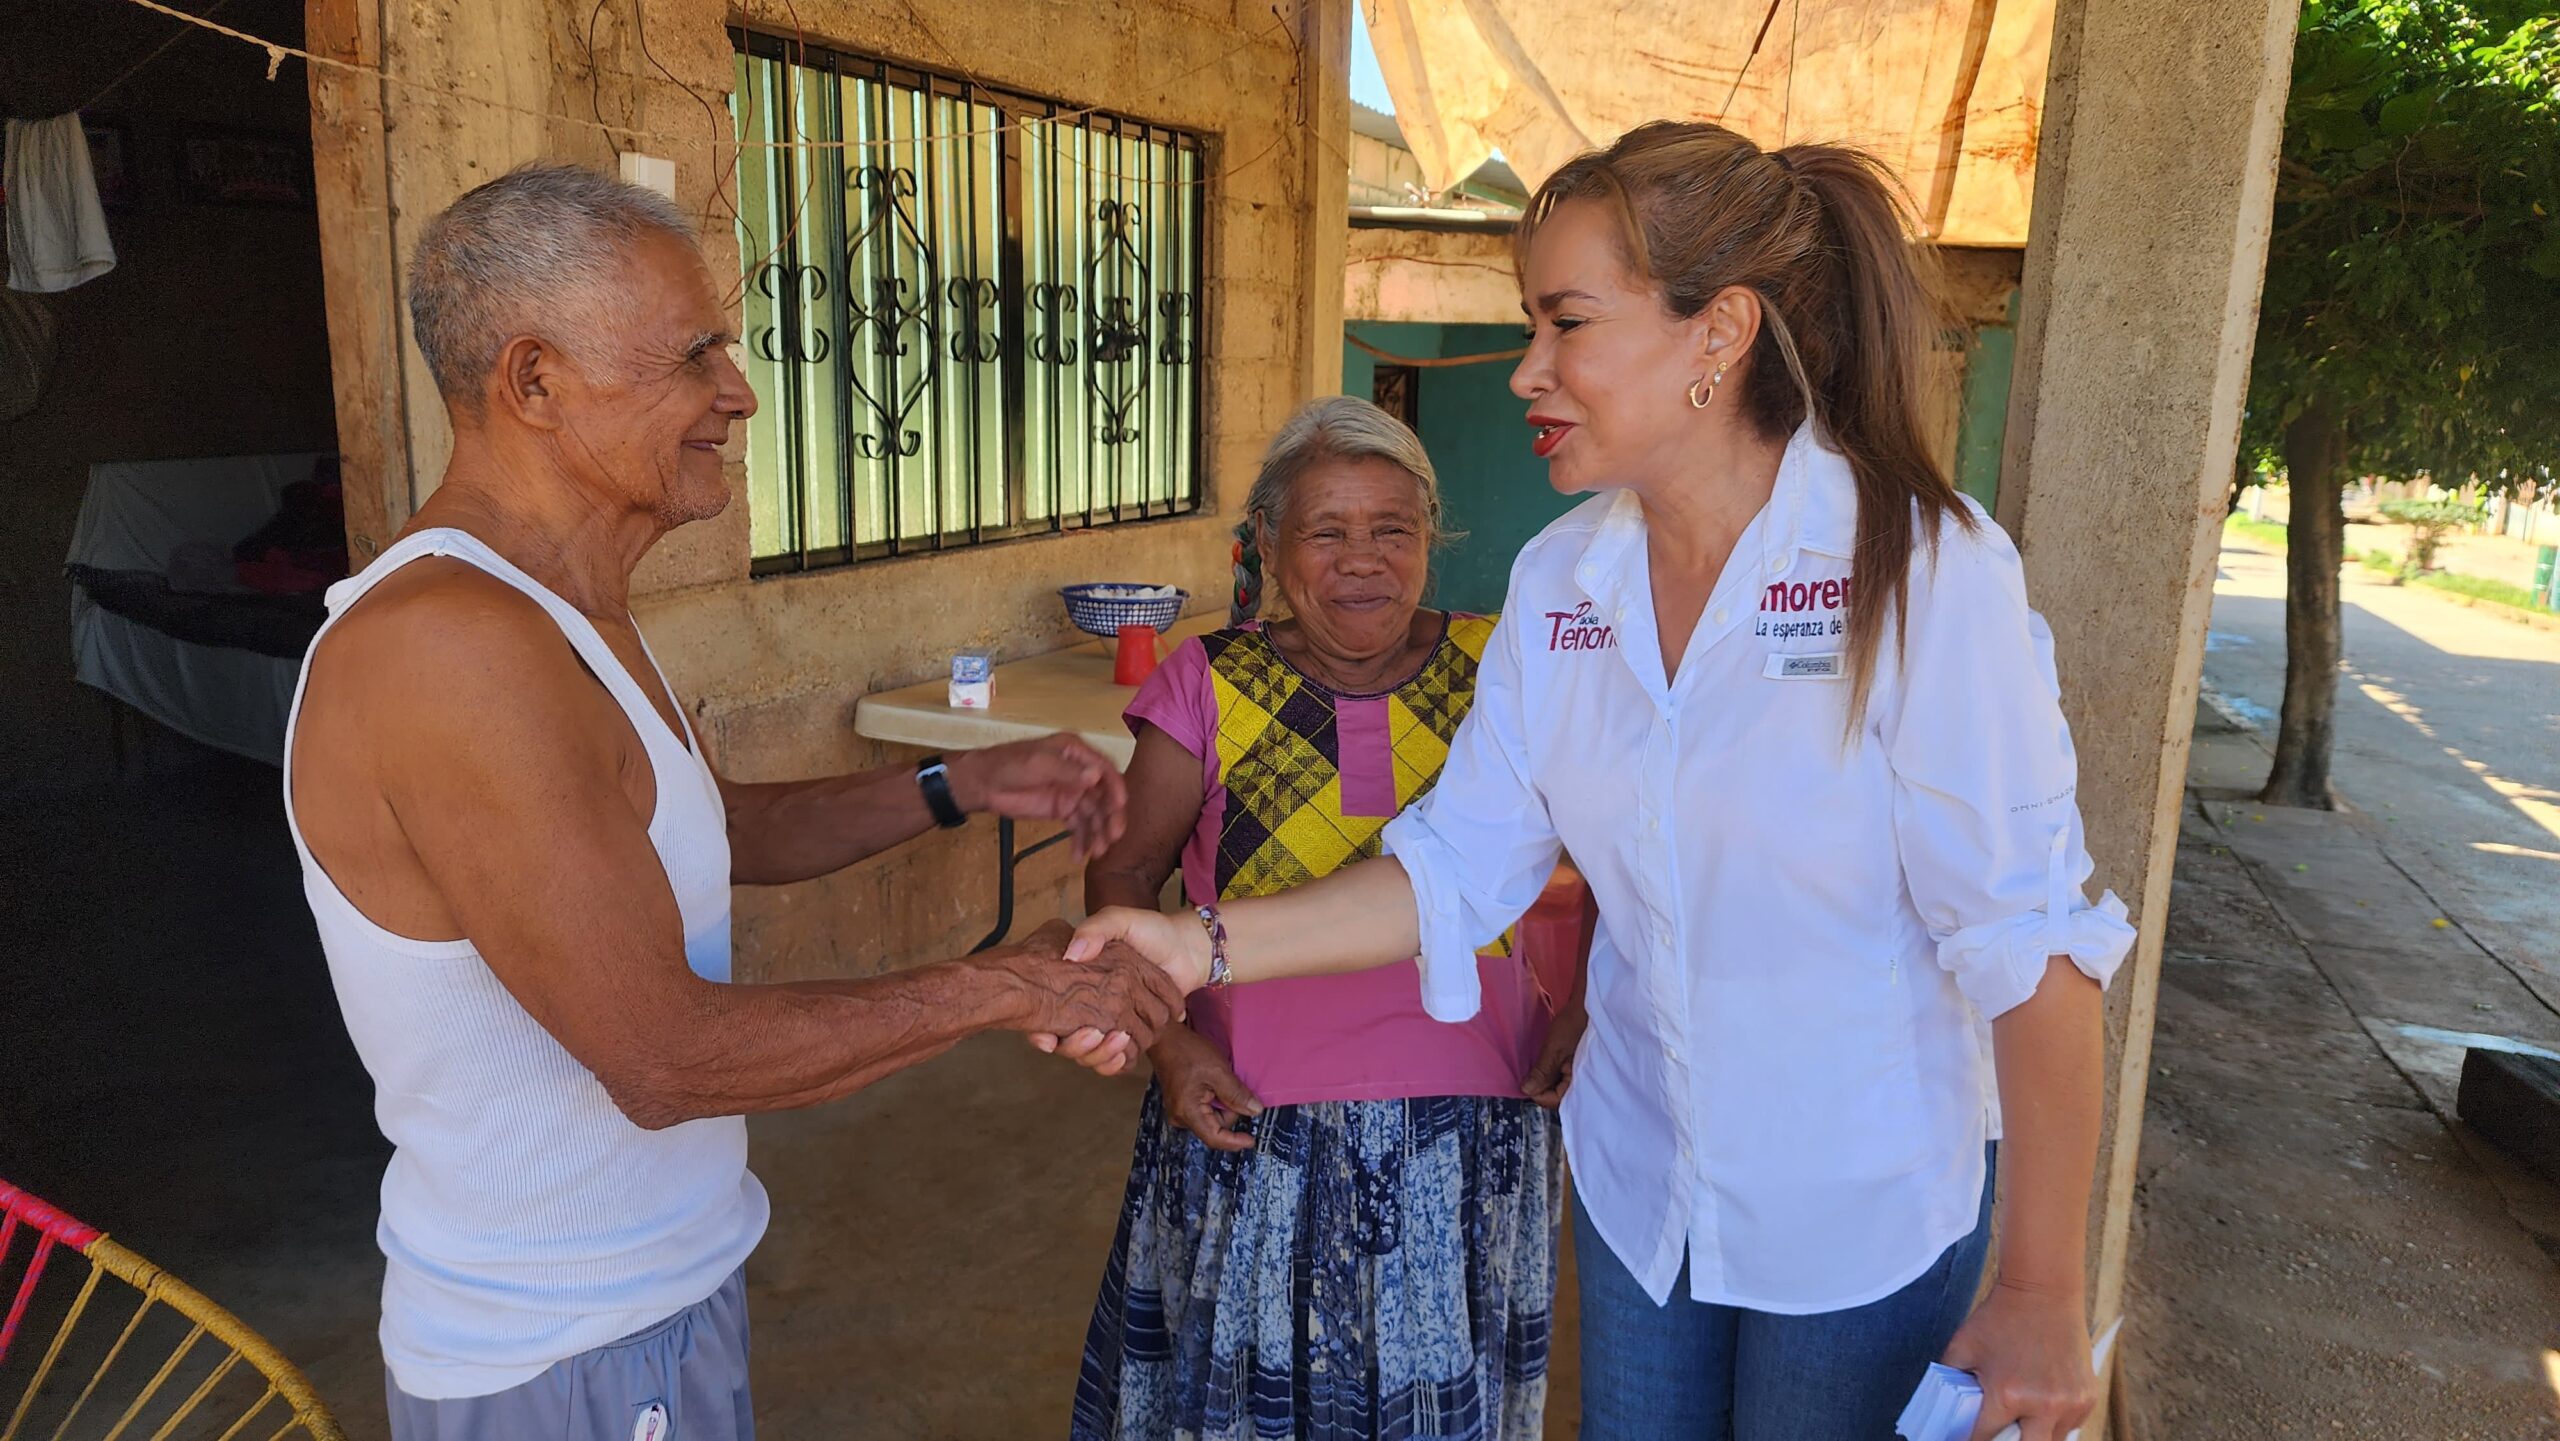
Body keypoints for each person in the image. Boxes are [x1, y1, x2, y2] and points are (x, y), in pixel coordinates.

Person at [1071, 122, 2136, 1441]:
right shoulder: (1562, 581)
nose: (1529, 370)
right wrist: (1189, 942)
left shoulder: (1919, 570)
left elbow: (2031, 943)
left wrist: (2040, 1281)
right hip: (1645, 1191)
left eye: (1565, 323)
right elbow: (1457, 866)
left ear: (1717, 334)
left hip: (1857, 1208)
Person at [284, 163, 1187, 1441]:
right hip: (564, 1346)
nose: (737, 389)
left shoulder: (567, 614)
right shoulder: (451, 645)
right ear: (532, 382)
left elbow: (698, 836)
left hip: (652, 1303)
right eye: (692, 351)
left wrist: (954, 781)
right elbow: (660, 1054)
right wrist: (1008, 983)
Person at [1065, 396, 1575, 1441]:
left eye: (1392, 529)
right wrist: (1167, 1048)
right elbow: (1122, 873)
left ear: (1432, 535)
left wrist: (1584, 1010)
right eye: (1325, 531)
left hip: (1472, 1118)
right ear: (1265, 545)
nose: (1363, 561)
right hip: (1256, 1114)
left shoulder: (1505, 669)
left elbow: (1621, 852)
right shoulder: (1206, 683)